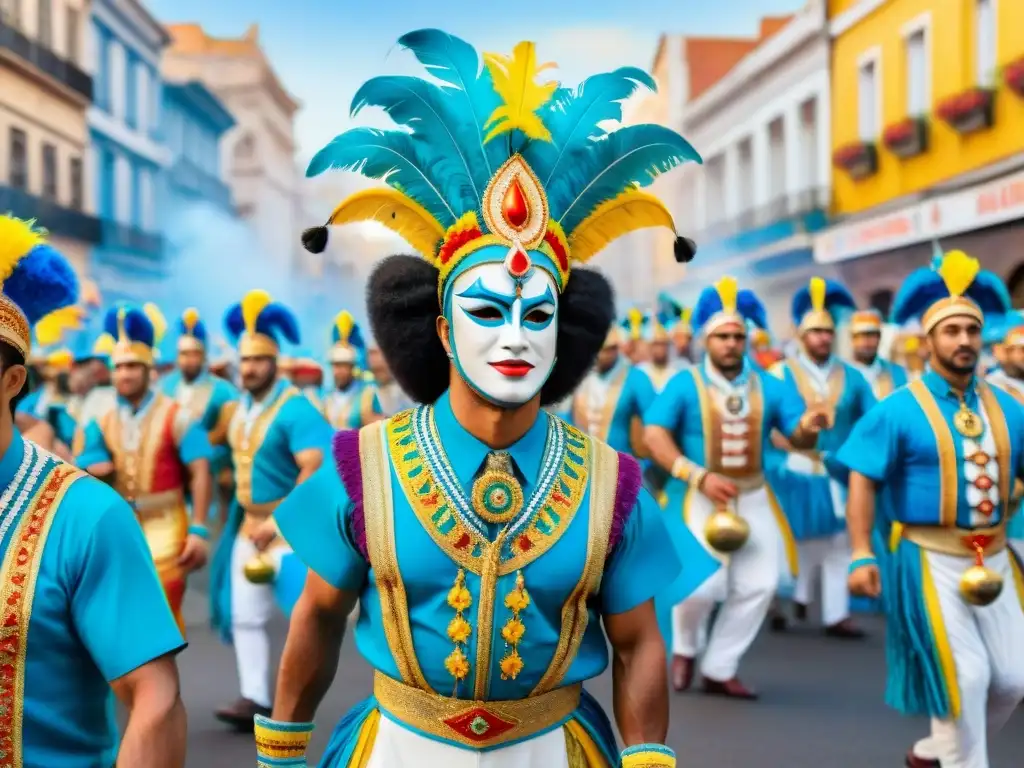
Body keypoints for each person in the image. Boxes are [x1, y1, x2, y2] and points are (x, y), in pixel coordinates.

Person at [255, 28, 710, 768]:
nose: (516, 336)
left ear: (563, 334)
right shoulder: (360, 467)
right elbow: (318, 613)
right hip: (400, 746)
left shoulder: (614, 485)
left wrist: (647, 757)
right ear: (441, 327)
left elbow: (639, 640)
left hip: (555, 749)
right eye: (487, 310)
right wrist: (280, 751)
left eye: (538, 316)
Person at [0, 214, 186, 766]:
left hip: (157, 523)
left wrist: (199, 524)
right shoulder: (97, 416)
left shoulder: (85, 516)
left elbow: (155, 699)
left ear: (12, 381)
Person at [837, 249, 1024, 768]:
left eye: (971, 329)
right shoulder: (896, 409)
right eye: (951, 330)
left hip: (998, 558)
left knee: (1014, 679)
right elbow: (862, 479)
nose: (964, 339)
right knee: (967, 679)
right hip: (929, 560)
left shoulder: (1010, 409)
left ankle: (935, 752)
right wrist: (859, 553)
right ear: (928, 342)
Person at [645, 277, 823, 700]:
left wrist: (808, 427)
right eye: (722, 336)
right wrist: (697, 475)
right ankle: (686, 646)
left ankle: (720, 665)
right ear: (708, 340)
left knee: (760, 585)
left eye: (737, 336)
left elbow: (797, 434)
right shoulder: (684, 384)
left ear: (747, 340)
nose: (730, 343)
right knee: (699, 587)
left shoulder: (771, 386)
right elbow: (654, 434)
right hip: (698, 495)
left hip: (754, 494)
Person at [210, 289, 334, 730]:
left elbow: (315, 469)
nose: (248, 368)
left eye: (257, 361)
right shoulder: (239, 409)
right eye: (244, 361)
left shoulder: (295, 408)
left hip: (291, 531)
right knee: (245, 616)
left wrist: (279, 521)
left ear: (275, 361)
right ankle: (256, 698)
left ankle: (298, 703)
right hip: (248, 526)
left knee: (308, 617)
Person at [77, 303, 215, 633]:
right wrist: (91, 465)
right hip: (117, 524)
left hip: (166, 523)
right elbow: (84, 458)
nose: (125, 374)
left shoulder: (178, 415)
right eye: (119, 367)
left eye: (133, 367)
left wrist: (198, 528)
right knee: (116, 621)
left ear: (148, 368)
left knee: (160, 621)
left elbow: (201, 471)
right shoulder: (102, 416)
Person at [768, 277, 875, 638]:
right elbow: (761, 420)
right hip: (790, 468)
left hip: (837, 469)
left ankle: (835, 614)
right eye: (815, 331)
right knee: (790, 541)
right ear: (800, 334)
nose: (823, 338)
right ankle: (780, 599)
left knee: (838, 543)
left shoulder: (854, 377)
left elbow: (871, 421)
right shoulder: (778, 373)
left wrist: (861, 458)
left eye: (828, 331)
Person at [159, 308, 239, 524]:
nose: (189, 361)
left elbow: (231, 436)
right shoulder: (165, 386)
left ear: (204, 356)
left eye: (195, 354)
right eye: (184, 355)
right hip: (170, 480)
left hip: (210, 478)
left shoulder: (223, 391)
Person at [572, 326, 656, 458]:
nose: (598, 356)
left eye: (604, 350)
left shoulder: (636, 378)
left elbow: (655, 423)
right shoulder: (582, 376)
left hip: (622, 466)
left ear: (615, 349)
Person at [322, 309, 374, 429]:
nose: (339, 371)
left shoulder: (368, 395)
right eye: (336, 365)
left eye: (344, 365)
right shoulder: (327, 398)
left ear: (352, 367)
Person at [849, 308, 909, 398]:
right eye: (861, 336)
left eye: (871, 335)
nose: (866, 342)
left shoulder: (896, 373)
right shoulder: (842, 374)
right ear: (852, 339)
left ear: (879, 337)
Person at [638, 311, 684, 393]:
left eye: (663, 344)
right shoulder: (641, 372)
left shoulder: (677, 371)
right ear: (650, 347)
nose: (659, 349)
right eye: (656, 344)